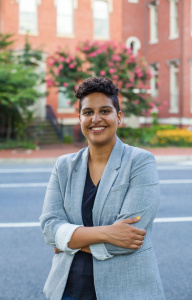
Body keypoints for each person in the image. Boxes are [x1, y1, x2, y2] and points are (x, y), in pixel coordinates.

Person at [40, 77, 165, 300]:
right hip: (68, 289)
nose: (96, 119)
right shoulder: (64, 166)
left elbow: (129, 241)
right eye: (88, 112)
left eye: (105, 111)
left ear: (118, 116)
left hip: (127, 289)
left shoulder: (140, 162)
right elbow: (50, 229)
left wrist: (68, 241)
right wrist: (107, 233)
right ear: (79, 118)